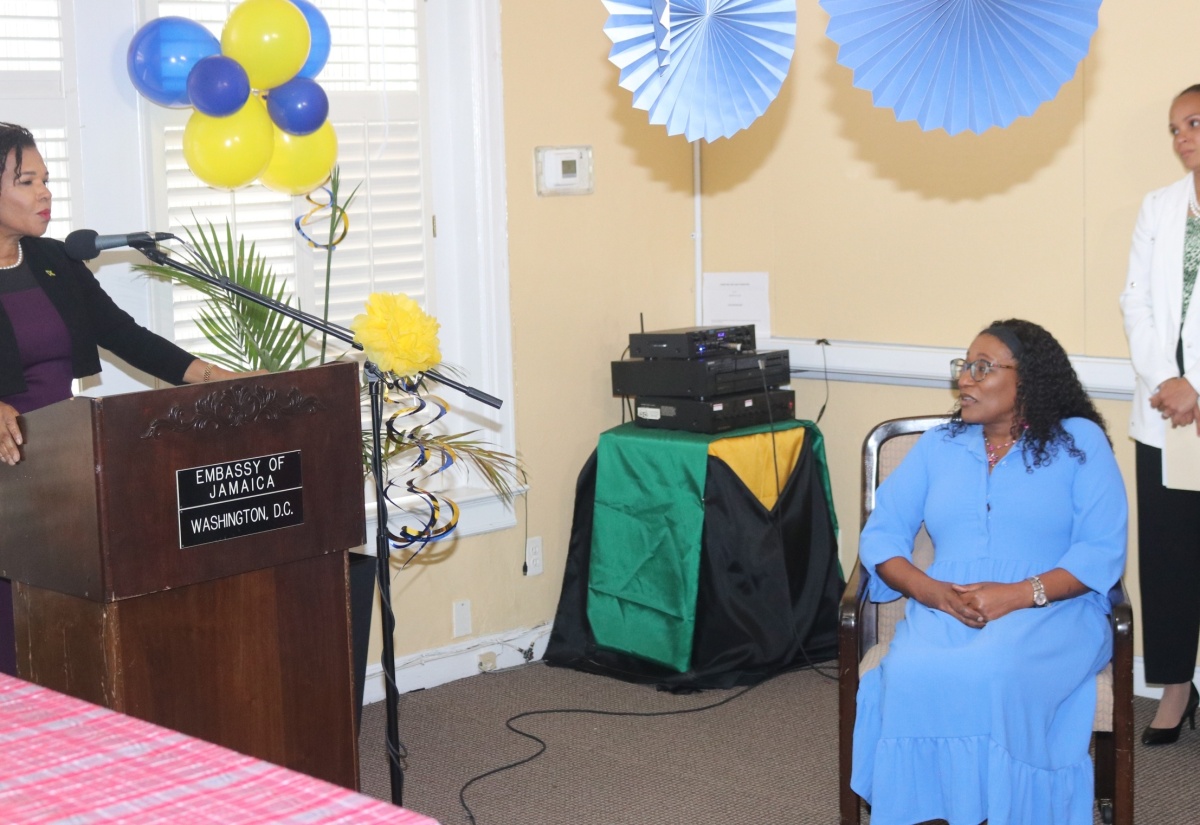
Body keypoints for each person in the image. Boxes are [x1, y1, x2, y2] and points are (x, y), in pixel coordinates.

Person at [851, 319, 1127, 825]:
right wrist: (930, 591)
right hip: (947, 606)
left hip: (1053, 609)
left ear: (1030, 379)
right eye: (964, 367)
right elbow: (882, 535)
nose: (966, 380)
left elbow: (1102, 550)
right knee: (909, 672)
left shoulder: (1078, 441)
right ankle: (936, 810)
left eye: (982, 368)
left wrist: (1021, 594)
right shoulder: (939, 446)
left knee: (996, 669)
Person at [0, 122, 250, 677]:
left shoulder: (53, 261)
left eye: (47, 179)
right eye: (27, 181)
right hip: (4, 478)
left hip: (57, 470)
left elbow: (122, 332)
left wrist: (203, 374)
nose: (45, 193)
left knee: (58, 630)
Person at [1119, 83, 1200, 747]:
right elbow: (1136, 304)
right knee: (1169, 556)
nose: (1182, 138)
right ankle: (1175, 686)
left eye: (1193, 123)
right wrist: (1172, 381)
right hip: (1164, 413)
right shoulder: (1158, 207)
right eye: (1174, 129)